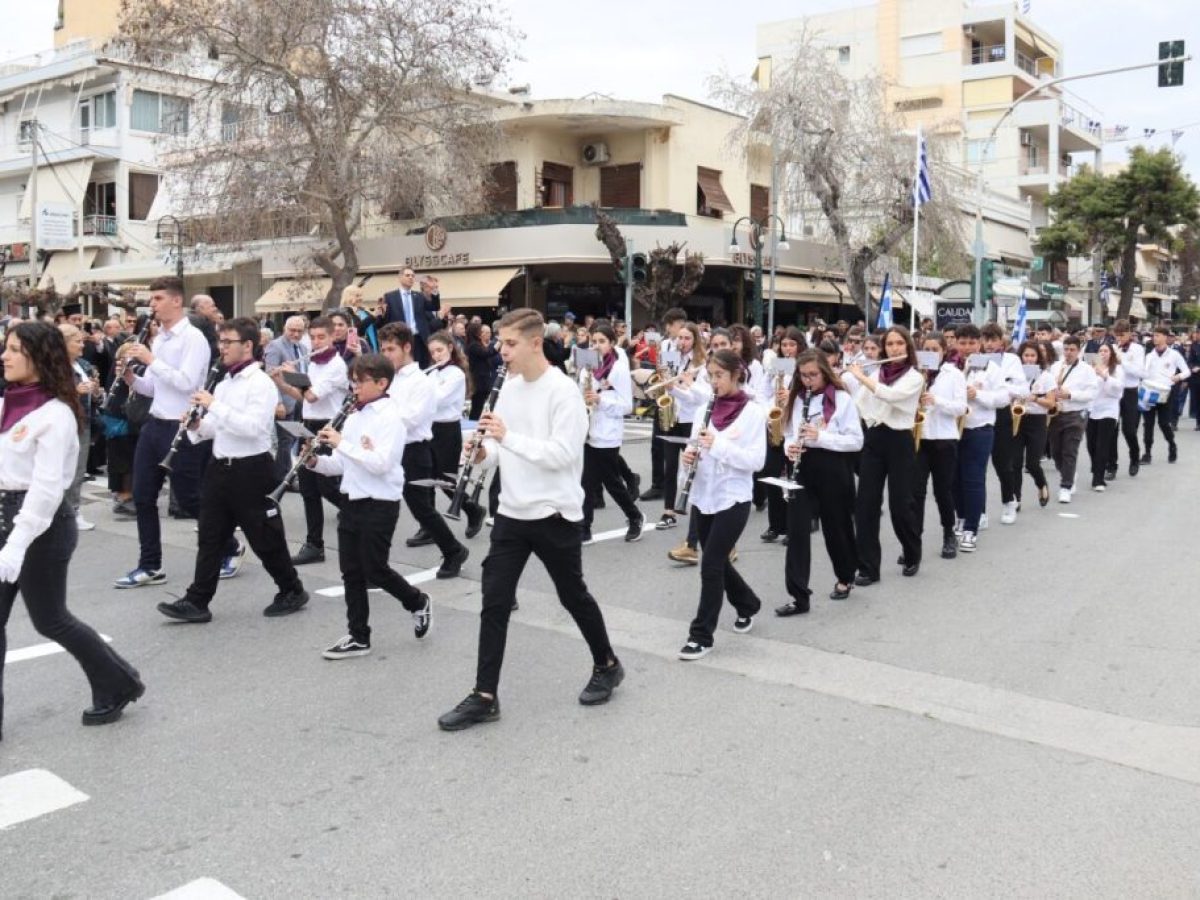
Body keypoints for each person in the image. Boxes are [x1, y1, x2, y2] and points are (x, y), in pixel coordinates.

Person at [437, 309, 624, 731]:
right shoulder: (508, 387)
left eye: (510, 344)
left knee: (572, 596)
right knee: (494, 601)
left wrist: (506, 437)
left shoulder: (563, 392)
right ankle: (485, 696)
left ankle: (607, 664)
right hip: (512, 512)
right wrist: (483, 453)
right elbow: (502, 450)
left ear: (535, 343)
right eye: (500, 343)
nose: (501, 351)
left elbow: (563, 454)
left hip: (555, 513)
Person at [1, 321, 144, 739]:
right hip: (7, 517)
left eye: (14, 349)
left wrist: (16, 543)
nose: (4, 356)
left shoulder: (55, 414)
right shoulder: (8, 402)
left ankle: (118, 682)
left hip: (42, 525)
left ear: (39, 357)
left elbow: (46, 490)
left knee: (50, 619)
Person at [155, 318, 310, 623]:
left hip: (251, 469)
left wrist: (214, 405)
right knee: (210, 536)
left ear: (248, 346)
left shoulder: (260, 383)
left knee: (264, 538)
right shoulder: (224, 383)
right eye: (220, 342)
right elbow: (218, 428)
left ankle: (292, 589)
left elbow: (253, 429)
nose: (221, 348)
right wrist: (197, 425)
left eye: (228, 342)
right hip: (220, 466)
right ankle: (197, 600)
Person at [114, 276, 241, 588]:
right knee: (143, 496)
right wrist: (131, 378)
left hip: (183, 425)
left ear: (176, 301)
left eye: (158, 299)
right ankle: (150, 565)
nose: (152, 305)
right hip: (155, 423)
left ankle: (230, 545)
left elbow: (187, 383)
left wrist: (150, 360)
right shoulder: (159, 340)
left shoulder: (193, 339)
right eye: (152, 299)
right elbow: (154, 387)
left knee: (190, 499)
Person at [309, 354, 433, 659]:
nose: (355, 387)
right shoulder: (353, 416)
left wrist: (341, 443)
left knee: (375, 569)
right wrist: (314, 462)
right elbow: (341, 464)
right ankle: (358, 636)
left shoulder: (392, 418)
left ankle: (417, 601)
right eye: (353, 380)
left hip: (380, 502)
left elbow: (381, 464)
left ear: (381, 383)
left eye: (361, 381)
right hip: (351, 499)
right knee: (351, 572)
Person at [675, 349, 766, 658]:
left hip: (733, 497)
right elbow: (693, 447)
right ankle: (747, 603)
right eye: (710, 376)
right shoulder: (704, 409)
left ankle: (701, 635)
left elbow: (756, 461)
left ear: (736, 375)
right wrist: (688, 459)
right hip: (704, 494)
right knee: (718, 561)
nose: (714, 382)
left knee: (711, 563)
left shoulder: (753, 412)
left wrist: (718, 445)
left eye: (719, 376)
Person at [378, 323, 470, 578]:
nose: (386, 355)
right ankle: (375, 561)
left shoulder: (421, 381)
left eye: (391, 349)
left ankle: (454, 550)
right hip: (392, 448)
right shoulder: (391, 379)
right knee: (383, 504)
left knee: (422, 509)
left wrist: (381, 416)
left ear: (407, 347)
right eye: (383, 349)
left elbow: (411, 419)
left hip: (414, 451)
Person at [776, 350, 861, 616]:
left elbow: (856, 441)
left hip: (833, 467)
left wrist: (821, 437)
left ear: (824, 372)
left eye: (813, 374)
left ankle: (845, 576)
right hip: (802, 468)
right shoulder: (797, 399)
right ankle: (799, 596)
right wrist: (790, 448)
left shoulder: (842, 399)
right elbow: (788, 434)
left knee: (836, 528)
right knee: (797, 531)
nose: (808, 380)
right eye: (803, 375)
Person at [847, 325, 923, 582]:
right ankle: (868, 568)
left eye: (899, 343)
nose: (894, 348)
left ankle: (912, 552)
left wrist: (861, 377)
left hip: (900, 441)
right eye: (890, 344)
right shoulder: (877, 372)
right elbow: (859, 404)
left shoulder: (914, 377)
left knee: (900, 506)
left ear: (907, 346)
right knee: (865, 504)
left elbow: (891, 396)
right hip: (874, 439)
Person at [273, 316, 348, 565]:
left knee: (325, 485)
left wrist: (294, 375)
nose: (316, 342)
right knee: (308, 488)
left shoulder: (336, 365)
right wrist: (280, 381)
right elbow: (302, 397)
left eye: (321, 337)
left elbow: (313, 395)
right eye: (313, 338)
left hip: (328, 426)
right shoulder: (314, 363)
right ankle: (314, 544)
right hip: (308, 424)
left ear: (332, 337)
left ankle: (353, 508)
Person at [580, 322, 644, 544]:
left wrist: (601, 400)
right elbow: (581, 391)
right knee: (586, 482)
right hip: (588, 430)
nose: (596, 345)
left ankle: (635, 517)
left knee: (612, 482)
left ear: (612, 343)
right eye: (593, 341)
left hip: (608, 432)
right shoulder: (587, 363)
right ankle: (584, 528)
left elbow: (627, 406)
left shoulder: (618, 368)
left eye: (602, 341)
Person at [909, 335, 966, 562]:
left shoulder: (954, 374)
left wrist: (936, 401)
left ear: (944, 351)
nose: (931, 353)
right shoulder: (915, 374)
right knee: (916, 492)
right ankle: (914, 542)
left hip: (944, 438)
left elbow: (961, 408)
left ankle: (948, 534)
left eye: (935, 349)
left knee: (943, 491)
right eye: (927, 349)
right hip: (920, 438)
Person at [952, 325, 1008, 553]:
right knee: (954, 478)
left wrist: (978, 394)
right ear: (955, 343)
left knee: (973, 479)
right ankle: (961, 517)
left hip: (979, 428)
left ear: (980, 344)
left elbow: (1003, 398)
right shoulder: (950, 366)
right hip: (952, 429)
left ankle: (971, 529)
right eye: (962, 343)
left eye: (972, 343)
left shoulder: (991, 367)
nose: (967, 348)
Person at [426, 330, 484, 537]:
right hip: (429, 428)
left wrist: (418, 390)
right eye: (433, 352)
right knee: (426, 479)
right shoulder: (432, 373)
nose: (436, 355)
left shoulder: (456, 374)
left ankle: (473, 510)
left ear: (450, 348)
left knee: (445, 481)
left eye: (440, 350)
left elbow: (437, 399)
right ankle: (428, 527)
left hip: (447, 430)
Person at [657, 322, 708, 530]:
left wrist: (674, 389)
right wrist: (664, 382)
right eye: (680, 337)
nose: (682, 342)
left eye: (687, 338)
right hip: (673, 417)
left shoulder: (701, 364)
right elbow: (665, 384)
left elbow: (697, 399)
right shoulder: (671, 357)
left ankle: (697, 509)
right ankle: (669, 511)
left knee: (693, 466)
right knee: (670, 466)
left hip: (690, 420)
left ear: (695, 341)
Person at [759, 326, 806, 542]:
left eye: (792, 345)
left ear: (800, 346)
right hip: (775, 425)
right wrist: (770, 412)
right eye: (784, 345)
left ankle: (793, 527)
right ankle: (775, 525)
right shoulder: (778, 365)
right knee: (771, 473)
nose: (787, 349)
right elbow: (763, 392)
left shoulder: (805, 366)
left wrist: (792, 395)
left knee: (793, 478)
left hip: (794, 429)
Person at [58, 324, 102, 532]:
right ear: (64, 343)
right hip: (65, 423)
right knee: (65, 470)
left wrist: (95, 391)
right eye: (77, 341)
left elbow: (93, 395)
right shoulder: (55, 368)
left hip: (83, 421)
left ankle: (72, 511)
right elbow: (48, 395)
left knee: (78, 470)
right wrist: (75, 391)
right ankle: (66, 513)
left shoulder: (81, 365)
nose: (82, 345)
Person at [980, 323, 1025, 526]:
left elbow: (1021, 388)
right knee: (978, 467)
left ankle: (1009, 501)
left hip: (1001, 412)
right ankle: (979, 511)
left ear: (1001, 341)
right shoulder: (976, 359)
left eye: (993, 340)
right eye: (986, 339)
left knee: (1003, 463)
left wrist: (999, 385)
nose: (989, 344)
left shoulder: (1011, 360)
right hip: (980, 412)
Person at [1047, 336, 1098, 504]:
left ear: (1078, 351)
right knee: (1056, 452)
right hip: (1056, 413)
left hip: (1076, 413)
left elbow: (1092, 393)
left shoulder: (1086, 370)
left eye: (1072, 350)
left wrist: (1070, 395)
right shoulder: (1055, 367)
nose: (1068, 353)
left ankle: (1066, 487)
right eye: (1066, 349)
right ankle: (1068, 474)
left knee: (1070, 450)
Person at [262, 315, 308, 482]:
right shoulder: (275, 346)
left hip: (299, 400)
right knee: (286, 440)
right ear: (284, 329)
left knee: (294, 437)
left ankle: (282, 472)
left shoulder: (303, 348)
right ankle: (282, 477)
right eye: (292, 330)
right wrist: (278, 402)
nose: (296, 334)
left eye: (299, 331)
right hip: (284, 402)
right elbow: (270, 376)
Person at [1012, 340, 1056, 508]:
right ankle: (1016, 498)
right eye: (1026, 355)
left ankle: (1041, 484)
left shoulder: (1046, 376)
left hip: (1037, 420)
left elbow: (1051, 403)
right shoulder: (1015, 376)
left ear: (1038, 357)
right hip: (1018, 418)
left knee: (1032, 463)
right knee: (1015, 462)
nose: (1029, 359)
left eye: (1032, 355)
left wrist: (1035, 398)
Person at [375, 268, 443, 368]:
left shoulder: (419, 296)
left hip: (419, 339)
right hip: (399, 339)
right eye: (407, 275)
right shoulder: (390, 296)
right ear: (400, 278)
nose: (411, 277)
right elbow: (385, 320)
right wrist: (380, 315)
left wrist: (434, 289)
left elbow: (434, 307)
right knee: (403, 366)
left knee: (421, 367)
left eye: (412, 276)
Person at [1140, 326, 1189, 465]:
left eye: (1158, 335)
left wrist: (1178, 377)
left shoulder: (1174, 354)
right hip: (1150, 392)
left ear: (1165, 337)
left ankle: (1172, 445)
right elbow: (1144, 373)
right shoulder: (1149, 356)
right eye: (1154, 335)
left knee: (1163, 423)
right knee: (1148, 424)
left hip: (1166, 393)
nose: (1154, 338)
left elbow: (1187, 371)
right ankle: (1147, 453)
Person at [1085, 343, 1124, 493]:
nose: (1102, 353)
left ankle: (1098, 478)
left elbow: (1118, 390)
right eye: (1100, 351)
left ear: (1111, 354)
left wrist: (1104, 375)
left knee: (1102, 445)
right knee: (1091, 445)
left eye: (1106, 351)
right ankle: (1097, 469)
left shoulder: (1117, 370)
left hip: (1109, 410)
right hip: (1092, 409)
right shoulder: (1091, 369)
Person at [1111, 320, 1146, 476]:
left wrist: (1122, 362)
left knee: (1129, 430)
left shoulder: (1137, 349)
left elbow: (1140, 372)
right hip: (1114, 391)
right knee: (1112, 430)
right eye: (1117, 335)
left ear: (1129, 333)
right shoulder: (1112, 347)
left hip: (1130, 391)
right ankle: (1112, 465)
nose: (1119, 338)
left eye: (1122, 335)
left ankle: (1134, 457)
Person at [340, 284, 379, 352]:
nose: (361, 298)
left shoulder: (364, 310)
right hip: (361, 350)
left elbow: (375, 327)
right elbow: (355, 332)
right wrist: (372, 317)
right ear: (349, 297)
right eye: (357, 296)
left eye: (361, 295)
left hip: (374, 347)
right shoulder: (345, 312)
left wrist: (380, 314)